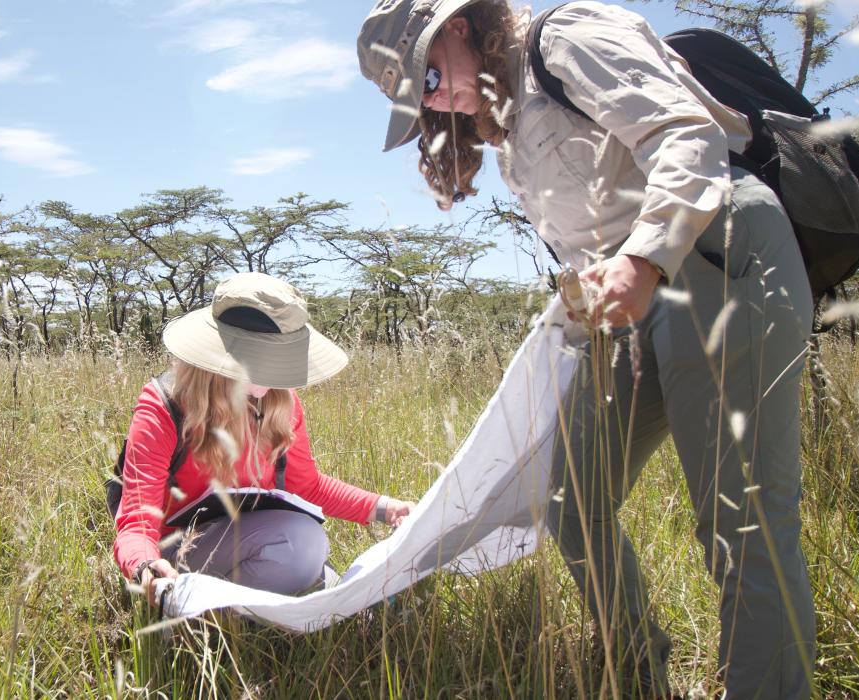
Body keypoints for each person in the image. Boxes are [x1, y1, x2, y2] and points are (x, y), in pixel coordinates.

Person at [358, 1, 815, 698]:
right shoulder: (506, 121)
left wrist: (642, 260)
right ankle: (638, 676)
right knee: (572, 500)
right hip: (632, 304)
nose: (432, 101)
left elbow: (685, 133)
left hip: (716, 255)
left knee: (742, 523)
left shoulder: (564, 37)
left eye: (423, 80)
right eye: (412, 100)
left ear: (457, 27)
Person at [114, 272, 415, 606]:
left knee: (344, 588)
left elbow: (308, 487)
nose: (273, 375)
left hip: (264, 542)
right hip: (179, 554)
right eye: (260, 359)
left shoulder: (281, 403)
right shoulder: (164, 406)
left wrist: (385, 508)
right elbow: (137, 521)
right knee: (301, 545)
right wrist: (143, 565)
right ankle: (200, 617)